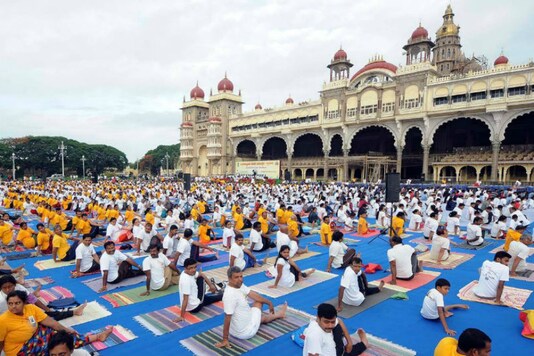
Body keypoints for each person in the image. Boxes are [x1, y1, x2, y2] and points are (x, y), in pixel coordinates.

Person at [0, 290, 112, 356]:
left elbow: (50, 322)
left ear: (24, 302)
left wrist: (67, 330)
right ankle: (96, 337)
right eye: (10, 304)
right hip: (20, 350)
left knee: (62, 334)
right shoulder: (3, 320)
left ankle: (94, 337)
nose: (13, 306)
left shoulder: (30, 308)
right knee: (55, 345)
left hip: (36, 335)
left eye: (17, 303)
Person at [215, 266, 288, 348]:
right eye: (236, 277)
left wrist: (269, 302)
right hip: (245, 332)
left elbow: (251, 294)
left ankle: (270, 316)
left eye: (241, 276)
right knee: (259, 304)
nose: (240, 279)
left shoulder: (238, 285)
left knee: (258, 304)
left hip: (235, 329)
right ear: (229, 279)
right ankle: (279, 314)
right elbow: (227, 318)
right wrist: (225, 339)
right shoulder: (229, 295)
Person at [0, 275, 87, 320]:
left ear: (15, 285)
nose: (8, 289)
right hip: (14, 318)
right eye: (4, 287)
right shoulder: (2, 301)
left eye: (10, 286)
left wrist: (47, 309)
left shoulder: (19, 287)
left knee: (47, 315)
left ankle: (74, 312)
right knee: (45, 319)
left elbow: (33, 300)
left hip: (25, 310)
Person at [303, 303, 368, 356]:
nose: (330, 325)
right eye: (326, 322)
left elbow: (339, 321)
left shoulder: (328, 321)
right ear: (318, 318)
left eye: (332, 322)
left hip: (334, 349)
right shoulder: (315, 335)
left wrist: (349, 342)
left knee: (337, 328)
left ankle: (362, 344)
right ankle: (364, 344)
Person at [174, 258, 223, 323]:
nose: (193, 270)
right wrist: (181, 316)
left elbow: (201, 274)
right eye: (191, 268)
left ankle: (220, 293)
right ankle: (218, 292)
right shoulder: (186, 280)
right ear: (185, 268)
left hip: (194, 299)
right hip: (196, 307)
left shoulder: (185, 272)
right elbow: (185, 299)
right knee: (201, 279)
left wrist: (211, 286)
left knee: (213, 298)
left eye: (195, 267)